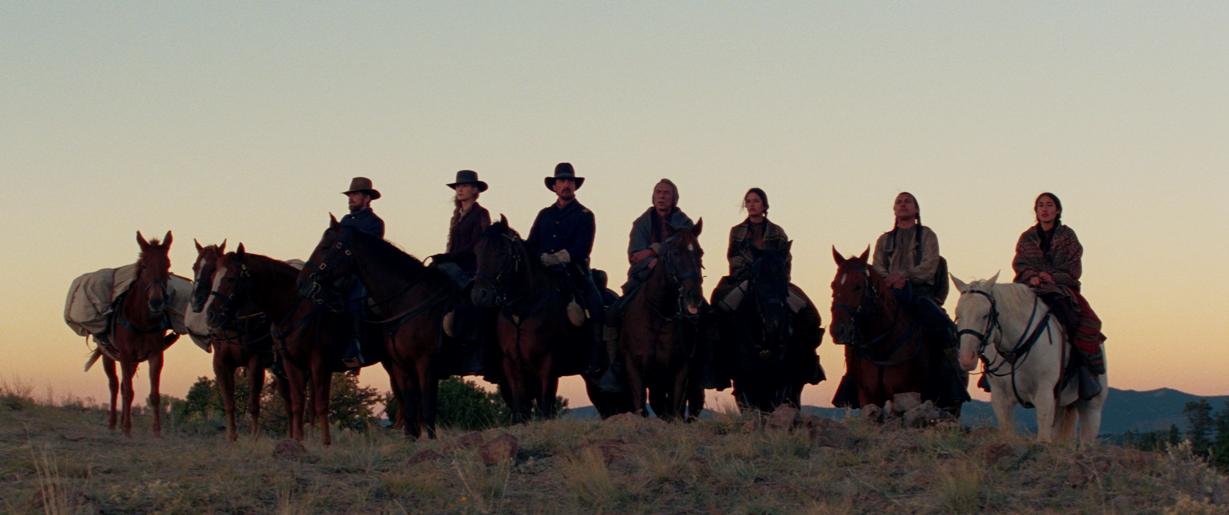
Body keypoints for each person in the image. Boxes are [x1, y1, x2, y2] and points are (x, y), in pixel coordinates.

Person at [866, 191, 967, 408]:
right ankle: (853, 383)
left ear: (916, 209)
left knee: (945, 330)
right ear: (894, 210)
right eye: (899, 202)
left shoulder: (927, 235)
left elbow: (931, 264)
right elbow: (877, 266)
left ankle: (954, 381)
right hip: (888, 293)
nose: (903, 204)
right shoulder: (884, 240)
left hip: (920, 292)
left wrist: (905, 276)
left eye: (908, 201)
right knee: (859, 326)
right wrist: (889, 279)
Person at [601, 179, 695, 391]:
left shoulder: (684, 223)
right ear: (653, 197)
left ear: (674, 198)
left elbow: (686, 250)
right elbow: (635, 256)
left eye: (666, 193)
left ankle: (702, 365)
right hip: (643, 279)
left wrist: (654, 251)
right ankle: (615, 365)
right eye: (658, 192)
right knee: (613, 314)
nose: (662, 196)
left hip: (679, 283)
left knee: (702, 315)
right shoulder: (641, 223)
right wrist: (657, 254)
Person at [1013, 192, 1106, 399]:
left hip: (1060, 289)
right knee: (1003, 315)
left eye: (1049, 205)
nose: (1045, 209)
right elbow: (1020, 263)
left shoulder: (1068, 236)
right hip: (1031, 287)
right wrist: (1031, 276)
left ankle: (1082, 369)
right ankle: (996, 373)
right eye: (1041, 205)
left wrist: (1052, 276)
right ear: (1036, 211)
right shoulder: (1027, 238)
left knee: (1081, 320)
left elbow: (1073, 266)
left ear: (1057, 210)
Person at [526, 162, 605, 376]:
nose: (566, 185)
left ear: (575, 186)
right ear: (554, 187)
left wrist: (559, 257)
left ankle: (596, 358)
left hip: (574, 272)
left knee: (596, 306)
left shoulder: (585, 214)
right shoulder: (544, 214)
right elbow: (531, 243)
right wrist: (540, 257)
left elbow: (582, 248)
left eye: (569, 181)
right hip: (544, 272)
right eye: (561, 181)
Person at [436, 170, 492, 374]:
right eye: (458, 186)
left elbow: (478, 245)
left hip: (470, 268)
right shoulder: (456, 215)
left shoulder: (481, 214)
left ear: (475, 190)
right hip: (454, 265)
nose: (459, 189)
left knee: (471, 303)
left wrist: (449, 258)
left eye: (465, 186)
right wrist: (446, 257)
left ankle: (476, 353)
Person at [712, 188, 793, 312]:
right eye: (748, 201)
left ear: (764, 205)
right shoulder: (736, 231)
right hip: (744, 279)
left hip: (774, 281)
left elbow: (786, 258)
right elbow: (733, 257)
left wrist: (781, 278)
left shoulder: (777, 231)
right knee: (721, 307)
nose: (751, 205)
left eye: (756, 201)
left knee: (806, 310)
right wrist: (752, 270)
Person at [339, 177, 385, 368]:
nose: (351, 199)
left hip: (362, 274)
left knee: (355, 302)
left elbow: (368, 253)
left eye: (355, 195)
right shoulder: (345, 220)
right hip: (341, 271)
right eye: (350, 195)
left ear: (367, 198)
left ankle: (357, 350)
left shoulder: (374, 223)